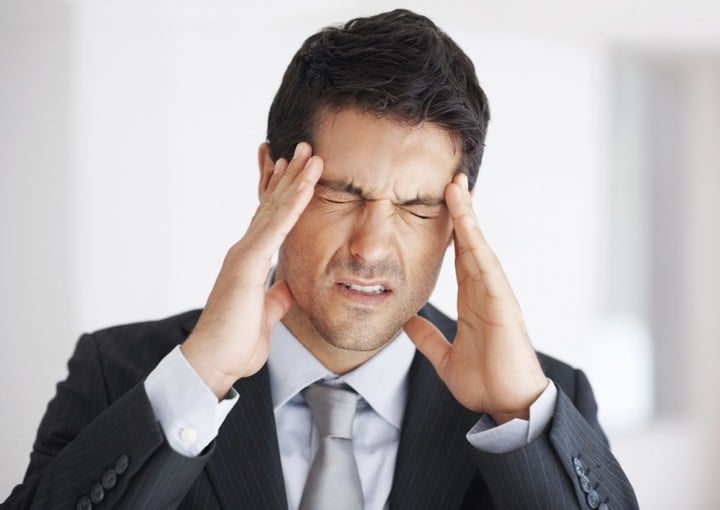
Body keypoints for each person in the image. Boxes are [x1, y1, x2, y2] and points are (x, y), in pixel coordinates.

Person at [2, 9, 638, 510]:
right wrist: (197, 383)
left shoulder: (541, 401)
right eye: (340, 192)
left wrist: (519, 413)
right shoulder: (121, 375)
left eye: (417, 204)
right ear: (270, 179)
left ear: (457, 218)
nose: (370, 247)